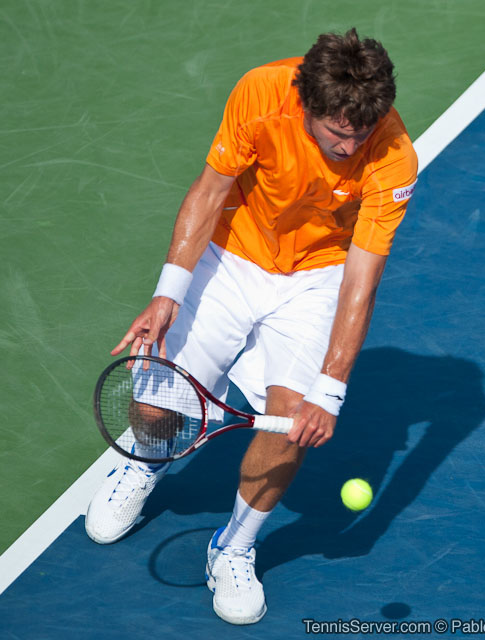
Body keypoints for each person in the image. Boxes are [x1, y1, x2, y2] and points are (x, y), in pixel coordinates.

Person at [85, 28, 418, 625]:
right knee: (157, 406)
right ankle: (144, 461)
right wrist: (167, 294)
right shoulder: (260, 93)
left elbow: (361, 281)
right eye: (338, 134)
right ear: (307, 105)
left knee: (291, 425)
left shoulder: (394, 157)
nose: (350, 146)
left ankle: (233, 547)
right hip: (231, 253)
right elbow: (210, 191)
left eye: (361, 133)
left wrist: (330, 391)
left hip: (317, 276)